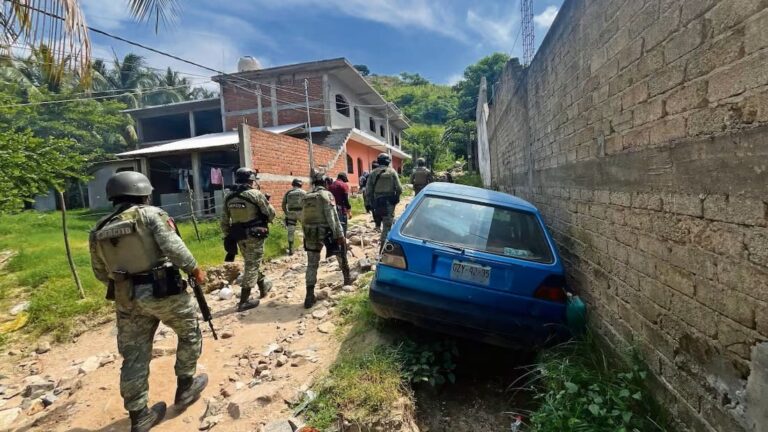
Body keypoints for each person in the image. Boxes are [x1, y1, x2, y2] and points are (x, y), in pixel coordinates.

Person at [89, 171, 208, 432]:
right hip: (163, 290)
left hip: (126, 297)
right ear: (143, 192)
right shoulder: (150, 214)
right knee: (189, 333)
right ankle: (186, 387)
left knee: (134, 354)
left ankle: (139, 415)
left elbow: (100, 272)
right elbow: (173, 247)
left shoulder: (98, 228)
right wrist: (195, 270)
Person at [221, 168, 276, 311]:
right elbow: (270, 214)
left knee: (251, 262)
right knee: (252, 265)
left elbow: (224, 220)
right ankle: (243, 301)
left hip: (238, 236)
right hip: (254, 235)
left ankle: (263, 285)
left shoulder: (229, 197)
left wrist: (229, 236)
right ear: (251, 180)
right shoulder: (255, 194)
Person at [302, 170, 353, 308]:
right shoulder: (326, 195)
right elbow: (333, 217)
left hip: (310, 233)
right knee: (340, 254)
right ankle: (347, 279)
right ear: (325, 182)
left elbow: (303, 217)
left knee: (312, 264)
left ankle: (309, 295)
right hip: (327, 233)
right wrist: (340, 235)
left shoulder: (306, 196)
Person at [365, 153, 403, 247]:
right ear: (388, 161)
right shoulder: (392, 172)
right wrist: (396, 197)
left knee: (380, 223)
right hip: (389, 203)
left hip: (377, 203)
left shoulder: (373, 173)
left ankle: (383, 244)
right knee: (387, 227)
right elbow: (399, 188)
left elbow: (368, 191)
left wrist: (368, 204)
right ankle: (383, 248)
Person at [282, 178, 306, 256]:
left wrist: (287, 213)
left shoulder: (288, 193)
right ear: (300, 184)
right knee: (305, 229)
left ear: (293, 184)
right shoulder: (303, 192)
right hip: (301, 212)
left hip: (291, 213)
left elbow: (283, 204)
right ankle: (306, 246)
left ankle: (291, 249)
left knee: (291, 231)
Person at [366, 161, 382, 231]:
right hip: (382, 196)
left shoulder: (370, 175)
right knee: (383, 211)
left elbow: (368, 189)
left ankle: (377, 226)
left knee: (375, 211)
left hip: (374, 197)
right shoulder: (383, 173)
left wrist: (367, 202)